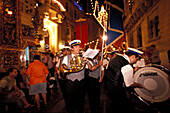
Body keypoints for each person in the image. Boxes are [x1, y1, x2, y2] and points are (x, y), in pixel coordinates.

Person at [105, 47, 144, 113]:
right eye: (136, 59)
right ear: (133, 57)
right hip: (118, 89)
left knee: (114, 104)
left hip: (109, 86)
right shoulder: (127, 66)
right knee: (122, 107)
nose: (136, 61)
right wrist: (139, 85)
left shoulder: (114, 59)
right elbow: (129, 84)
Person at [60, 40, 92, 113]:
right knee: (70, 102)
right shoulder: (67, 58)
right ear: (72, 48)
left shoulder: (82, 58)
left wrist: (87, 62)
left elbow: (90, 68)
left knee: (81, 102)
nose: (78, 48)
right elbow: (62, 68)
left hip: (81, 82)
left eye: (78, 47)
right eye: (76, 47)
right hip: (71, 82)